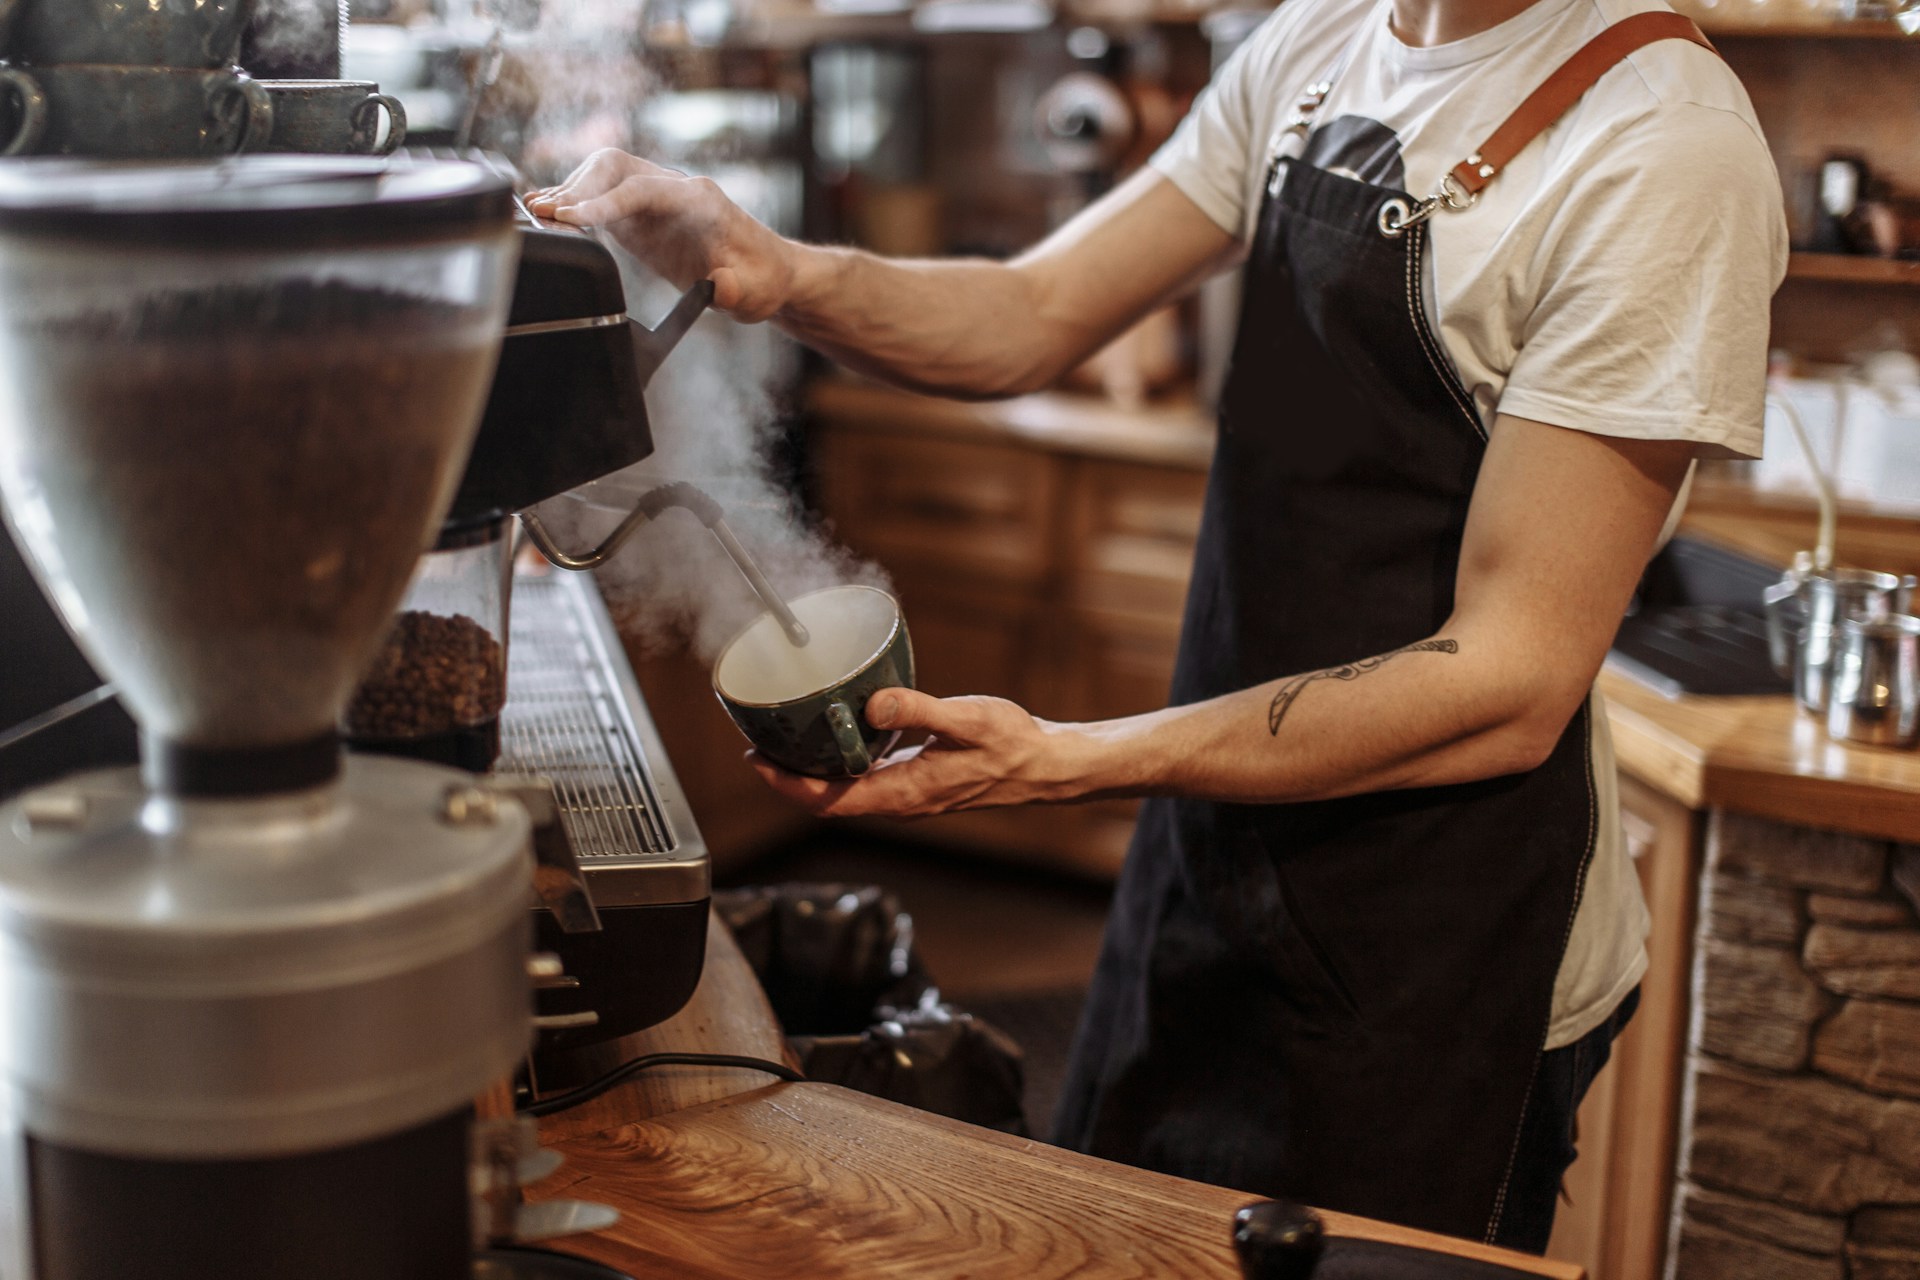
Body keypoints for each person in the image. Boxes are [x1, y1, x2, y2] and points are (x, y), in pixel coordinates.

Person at [526, 0, 1784, 1250]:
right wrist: (774, 268)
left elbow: (1510, 680)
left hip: (1439, 931)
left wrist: (1074, 759)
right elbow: (1034, 311)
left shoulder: (1659, 145)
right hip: (1213, 857)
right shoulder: (1321, 40)